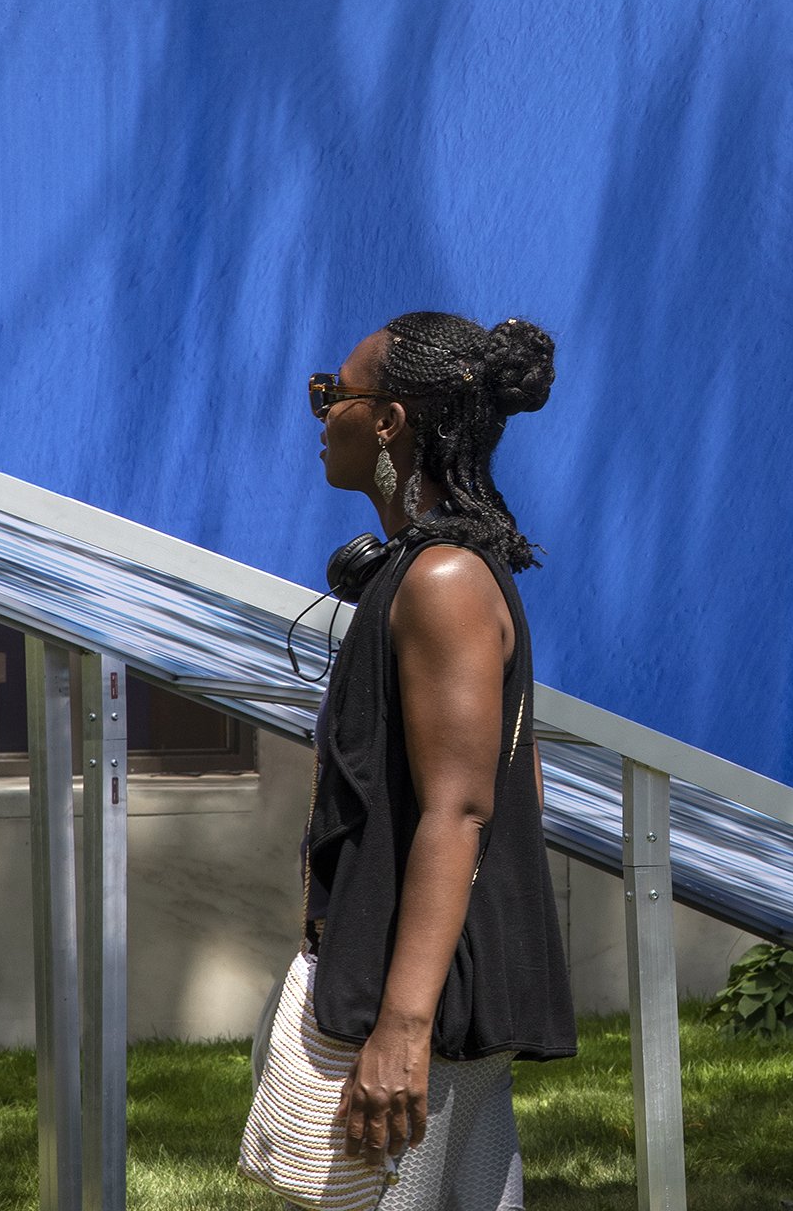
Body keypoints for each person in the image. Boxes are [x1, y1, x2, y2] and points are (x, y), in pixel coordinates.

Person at [272, 311, 576, 1211]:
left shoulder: (442, 580)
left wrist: (402, 1027)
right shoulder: (429, 570)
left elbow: (462, 809)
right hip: (441, 986)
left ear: (390, 422)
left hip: (427, 1005)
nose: (321, 414)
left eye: (333, 395)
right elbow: (517, 786)